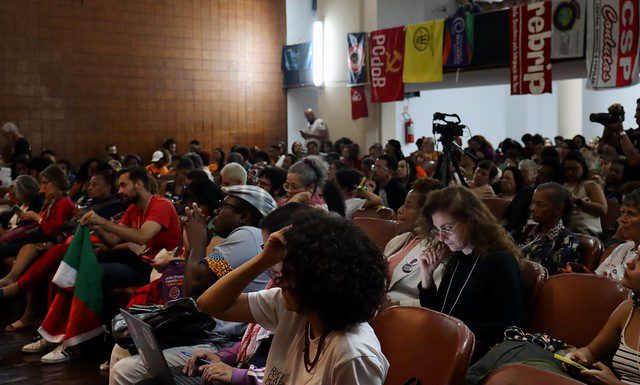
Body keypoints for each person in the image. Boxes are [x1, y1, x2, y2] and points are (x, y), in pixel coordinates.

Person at [195, 209, 389, 384]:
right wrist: (265, 258)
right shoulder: (295, 306)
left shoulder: (353, 355)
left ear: (324, 282)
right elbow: (209, 304)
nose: (281, 282)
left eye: (292, 274)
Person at [109, 185, 277, 385]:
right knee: (122, 347)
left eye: (225, 206)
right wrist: (191, 247)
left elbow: (195, 283)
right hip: (206, 334)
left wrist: (199, 240)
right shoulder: (241, 238)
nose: (217, 211)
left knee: (125, 370)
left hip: (220, 340)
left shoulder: (249, 235)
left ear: (244, 216)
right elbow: (188, 296)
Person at [181, 202, 315, 385]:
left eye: (225, 205)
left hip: (237, 359)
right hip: (238, 361)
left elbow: (295, 376)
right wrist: (222, 357)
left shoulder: (245, 236)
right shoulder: (278, 290)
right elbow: (207, 304)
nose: (217, 212)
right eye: (266, 249)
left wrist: (238, 374)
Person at [2, 170, 123, 335]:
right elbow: (68, 227)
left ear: (110, 186)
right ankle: (48, 325)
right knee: (48, 261)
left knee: (56, 256)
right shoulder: (90, 203)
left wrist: (41, 222)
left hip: (90, 249)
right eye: (90, 183)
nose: (89, 188)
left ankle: (17, 288)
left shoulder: (114, 206)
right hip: (72, 243)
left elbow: (108, 237)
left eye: (95, 184)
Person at [418, 186, 524, 358]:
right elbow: (439, 312)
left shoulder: (501, 262)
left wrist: (455, 327)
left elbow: (512, 327)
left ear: (471, 220)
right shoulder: (458, 257)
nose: (441, 238)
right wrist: (427, 276)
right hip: (447, 344)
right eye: (438, 230)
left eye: (447, 228)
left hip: (475, 352)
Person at [80, 167, 181, 288]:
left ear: (138, 184)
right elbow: (112, 240)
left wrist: (102, 221)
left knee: (97, 271)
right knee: (87, 265)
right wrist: (96, 226)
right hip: (140, 263)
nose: (119, 191)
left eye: (123, 185)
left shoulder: (162, 205)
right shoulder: (132, 209)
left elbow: (141, 237)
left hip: (160, 269)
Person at [562, 254, 640, 385]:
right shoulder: (627, 310)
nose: (629, 262)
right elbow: (592, 352)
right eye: (636, 255)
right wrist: (576, 358)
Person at [0, 165, 75, 291]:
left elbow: (53, 230)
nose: (42, 188)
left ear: (57, 182)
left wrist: (36, 217)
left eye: (46, 183)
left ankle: (11, 279)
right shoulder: (53, 201)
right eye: (42, 183)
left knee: (33, 238)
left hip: (54, 241)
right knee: (32, 238)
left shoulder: (64, 202)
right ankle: (11, 277)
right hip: (40, 238)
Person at [383, 178, 443, 308]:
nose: (400, 209)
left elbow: (439, 303)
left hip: (405, 317)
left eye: (408, 205)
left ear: (426, 213)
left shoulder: (441, 250)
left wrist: (395, 305)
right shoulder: (397, 240)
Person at [511, 182, 579, 274]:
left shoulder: (567, 241)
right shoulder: (525, 231)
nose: (532, 208)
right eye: (533, 202)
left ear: (558, 209)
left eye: (539, 204)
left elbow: (555, 277)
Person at [595, 189, 640, 280]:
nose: (621, 219)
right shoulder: (621, 249)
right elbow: (595, 279)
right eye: (622, 212)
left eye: (630, 214)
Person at [563, 150, 607, 236]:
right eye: (567, 169)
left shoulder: (591, 185)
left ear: (583, 167)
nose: (570, 172)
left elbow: (602, 210)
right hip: (569, 229)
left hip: (588, 231)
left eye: (574, 169)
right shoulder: (563, 186)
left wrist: (577, 201)